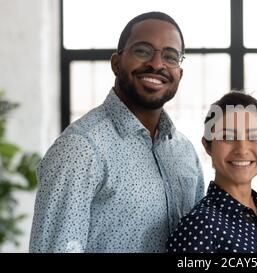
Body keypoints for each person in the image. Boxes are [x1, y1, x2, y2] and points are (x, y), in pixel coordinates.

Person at [30, 12, 204, 253]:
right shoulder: (80, 149)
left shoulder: (185, 152)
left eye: (170, 56)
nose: (157, 64)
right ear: (116, 63)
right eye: (143, 51)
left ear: (179, 74)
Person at [166, 92, 257, 253]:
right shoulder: (199, 225)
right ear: (207, 145)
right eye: (227, 136)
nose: (242, 149)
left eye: (255, 137)